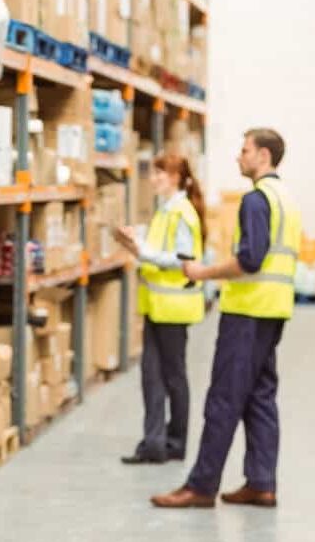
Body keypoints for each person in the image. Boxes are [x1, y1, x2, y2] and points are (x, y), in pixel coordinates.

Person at [151, 128, 301, 509]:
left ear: (263, 156)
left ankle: (201, 486)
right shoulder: (285, 198)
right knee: (260, 397)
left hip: (247, 313)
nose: (239, 156)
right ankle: (262, 483)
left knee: (223, 399)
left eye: (245, 150)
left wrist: (202, 273)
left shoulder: (256, 199)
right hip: (273, 310)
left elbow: (250, 260)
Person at [114, 154, 206, 464]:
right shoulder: (165, 211)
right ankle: (154, 444)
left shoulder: (182, 212)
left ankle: (176, 442)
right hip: (157, 304)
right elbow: (160, 248)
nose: (154, 179)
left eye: (161, 174)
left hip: (174, 306)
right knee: (151, 375)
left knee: (173, 377)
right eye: (154, 174)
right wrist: (135, 240)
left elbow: (183, 259)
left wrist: (142, 251)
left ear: (177, 177)